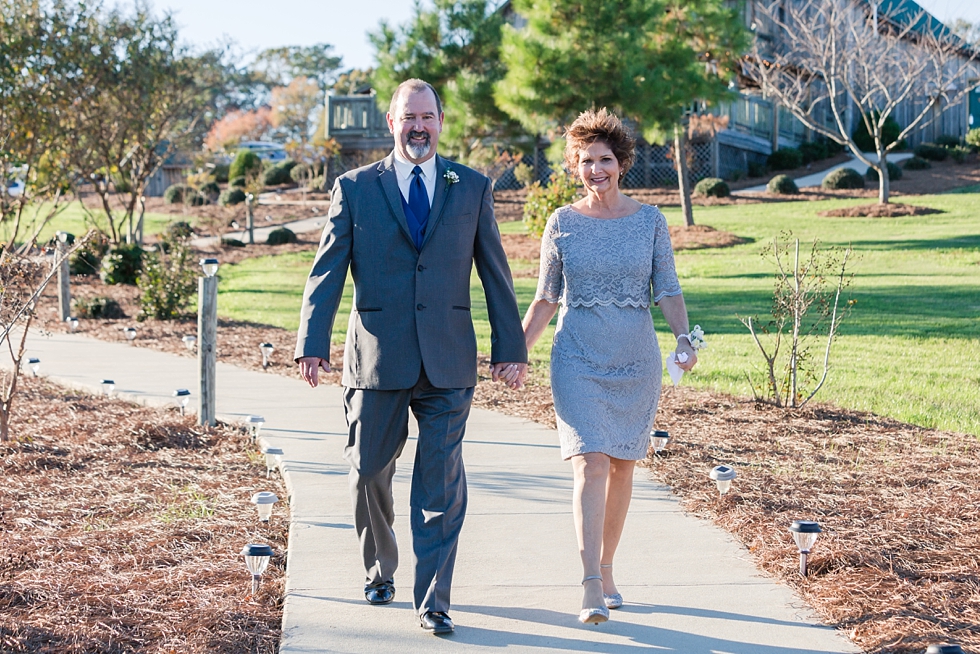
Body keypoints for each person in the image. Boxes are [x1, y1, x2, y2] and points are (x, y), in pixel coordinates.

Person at [294, 79, 528, 635]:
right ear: (391, 124)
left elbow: (494, 271)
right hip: (376, 356)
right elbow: (327, 270)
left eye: (427, 116)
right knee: (369, 470)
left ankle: (435, 598)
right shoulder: (354, 188)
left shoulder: (470, 187)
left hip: (448, 357)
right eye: (408, 118)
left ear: (441, 122)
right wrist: (312, 341)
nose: (418, 127)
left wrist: (509, 348)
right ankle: (379, 568)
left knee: (439, 482)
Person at [519, 108, 697, 625]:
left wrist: (684, 339)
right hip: (577, 357)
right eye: (584, 160)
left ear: (621, 163)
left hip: (634, 359)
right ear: (575, 165)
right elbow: (545, 300)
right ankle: (590, 585)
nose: (594, 169)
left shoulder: (650, 222)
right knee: (590, 462)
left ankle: (608, 566)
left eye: (604, 159)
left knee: (622, 466)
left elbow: (668, 289)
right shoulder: (562, 223)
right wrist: (517, 350)